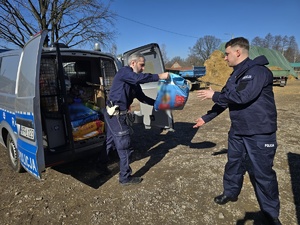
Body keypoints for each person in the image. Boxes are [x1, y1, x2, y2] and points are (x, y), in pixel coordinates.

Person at [193, 37, 281, 225]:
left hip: (259, 132)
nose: (225, 58)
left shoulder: (258, 72)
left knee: (263, 173)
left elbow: (243, 97)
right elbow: (226, 99)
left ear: (238, 52)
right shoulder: (234, 75)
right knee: (233, 163)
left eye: (227, 54)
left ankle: (271, 213)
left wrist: (213, 94)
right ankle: (230, 192)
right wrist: (206, 118)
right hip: (238, 130)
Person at [98, 52, 169, 186]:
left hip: (112, 114)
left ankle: (101, 165)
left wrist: (157, 103)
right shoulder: (125, 72)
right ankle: (125, 178)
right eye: (141, 65)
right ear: (133, 63)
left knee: (110, 141)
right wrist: (160, 76)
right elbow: (138, 78)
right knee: (125, 146)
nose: (143, 68)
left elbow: (142, 97)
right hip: (116, 115)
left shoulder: (132, 81)